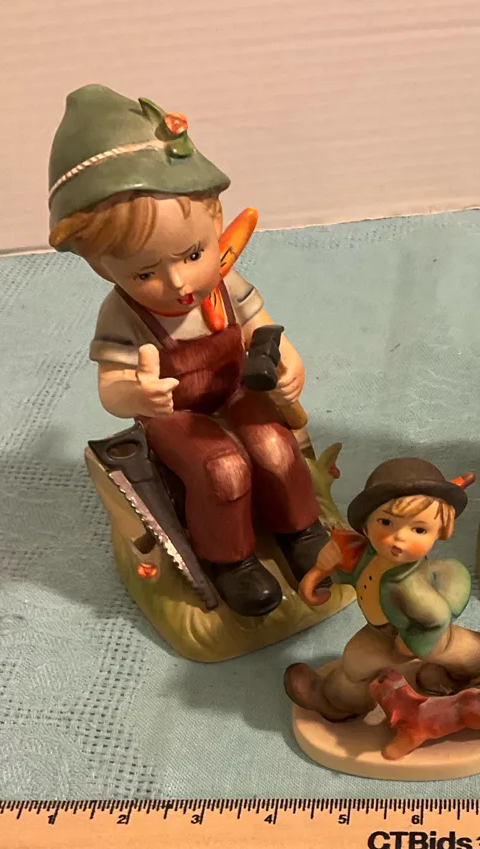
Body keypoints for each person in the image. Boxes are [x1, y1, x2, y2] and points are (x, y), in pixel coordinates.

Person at [48, 84, 327, 616]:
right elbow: (111, 388)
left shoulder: (226, 284)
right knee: (223, 467)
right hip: (175, 416)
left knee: (274, 447)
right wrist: (138, 395)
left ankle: (300, 529)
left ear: (216, 220)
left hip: (236, 392)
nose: (178, 283)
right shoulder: (124, 316)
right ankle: (231, 560)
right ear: (101, 267)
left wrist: (288, 360)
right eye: (144, 272)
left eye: (193, 254)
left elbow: (261, 326)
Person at [284, 458, 480, 720]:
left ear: (440, 532)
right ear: (366, 523)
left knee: (355, 664)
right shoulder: (369, 554)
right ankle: (471, 666)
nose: (399, 538)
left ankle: (337, 702)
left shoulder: (409, 585)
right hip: (385, 627)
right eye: (386, 523)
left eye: (419, 529)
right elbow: (357, 577)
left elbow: (437, 618)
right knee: (459, 649)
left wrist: (406, 647)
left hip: (398, 635)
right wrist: (328, 565)